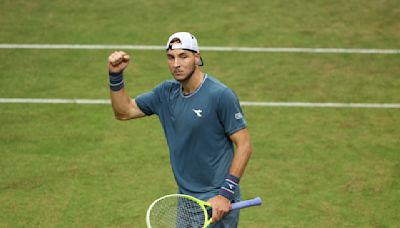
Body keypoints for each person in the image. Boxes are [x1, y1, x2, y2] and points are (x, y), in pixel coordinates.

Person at [107, 32, 252, 227]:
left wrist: (225, 195)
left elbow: (244, 144)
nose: (176, 64)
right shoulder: (165, 94)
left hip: (216, 200)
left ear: (197, 57)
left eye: (183, 56)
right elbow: (124, 112)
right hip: (186, 200)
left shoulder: (220, 95)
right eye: (171, 57)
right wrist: (116, 75)